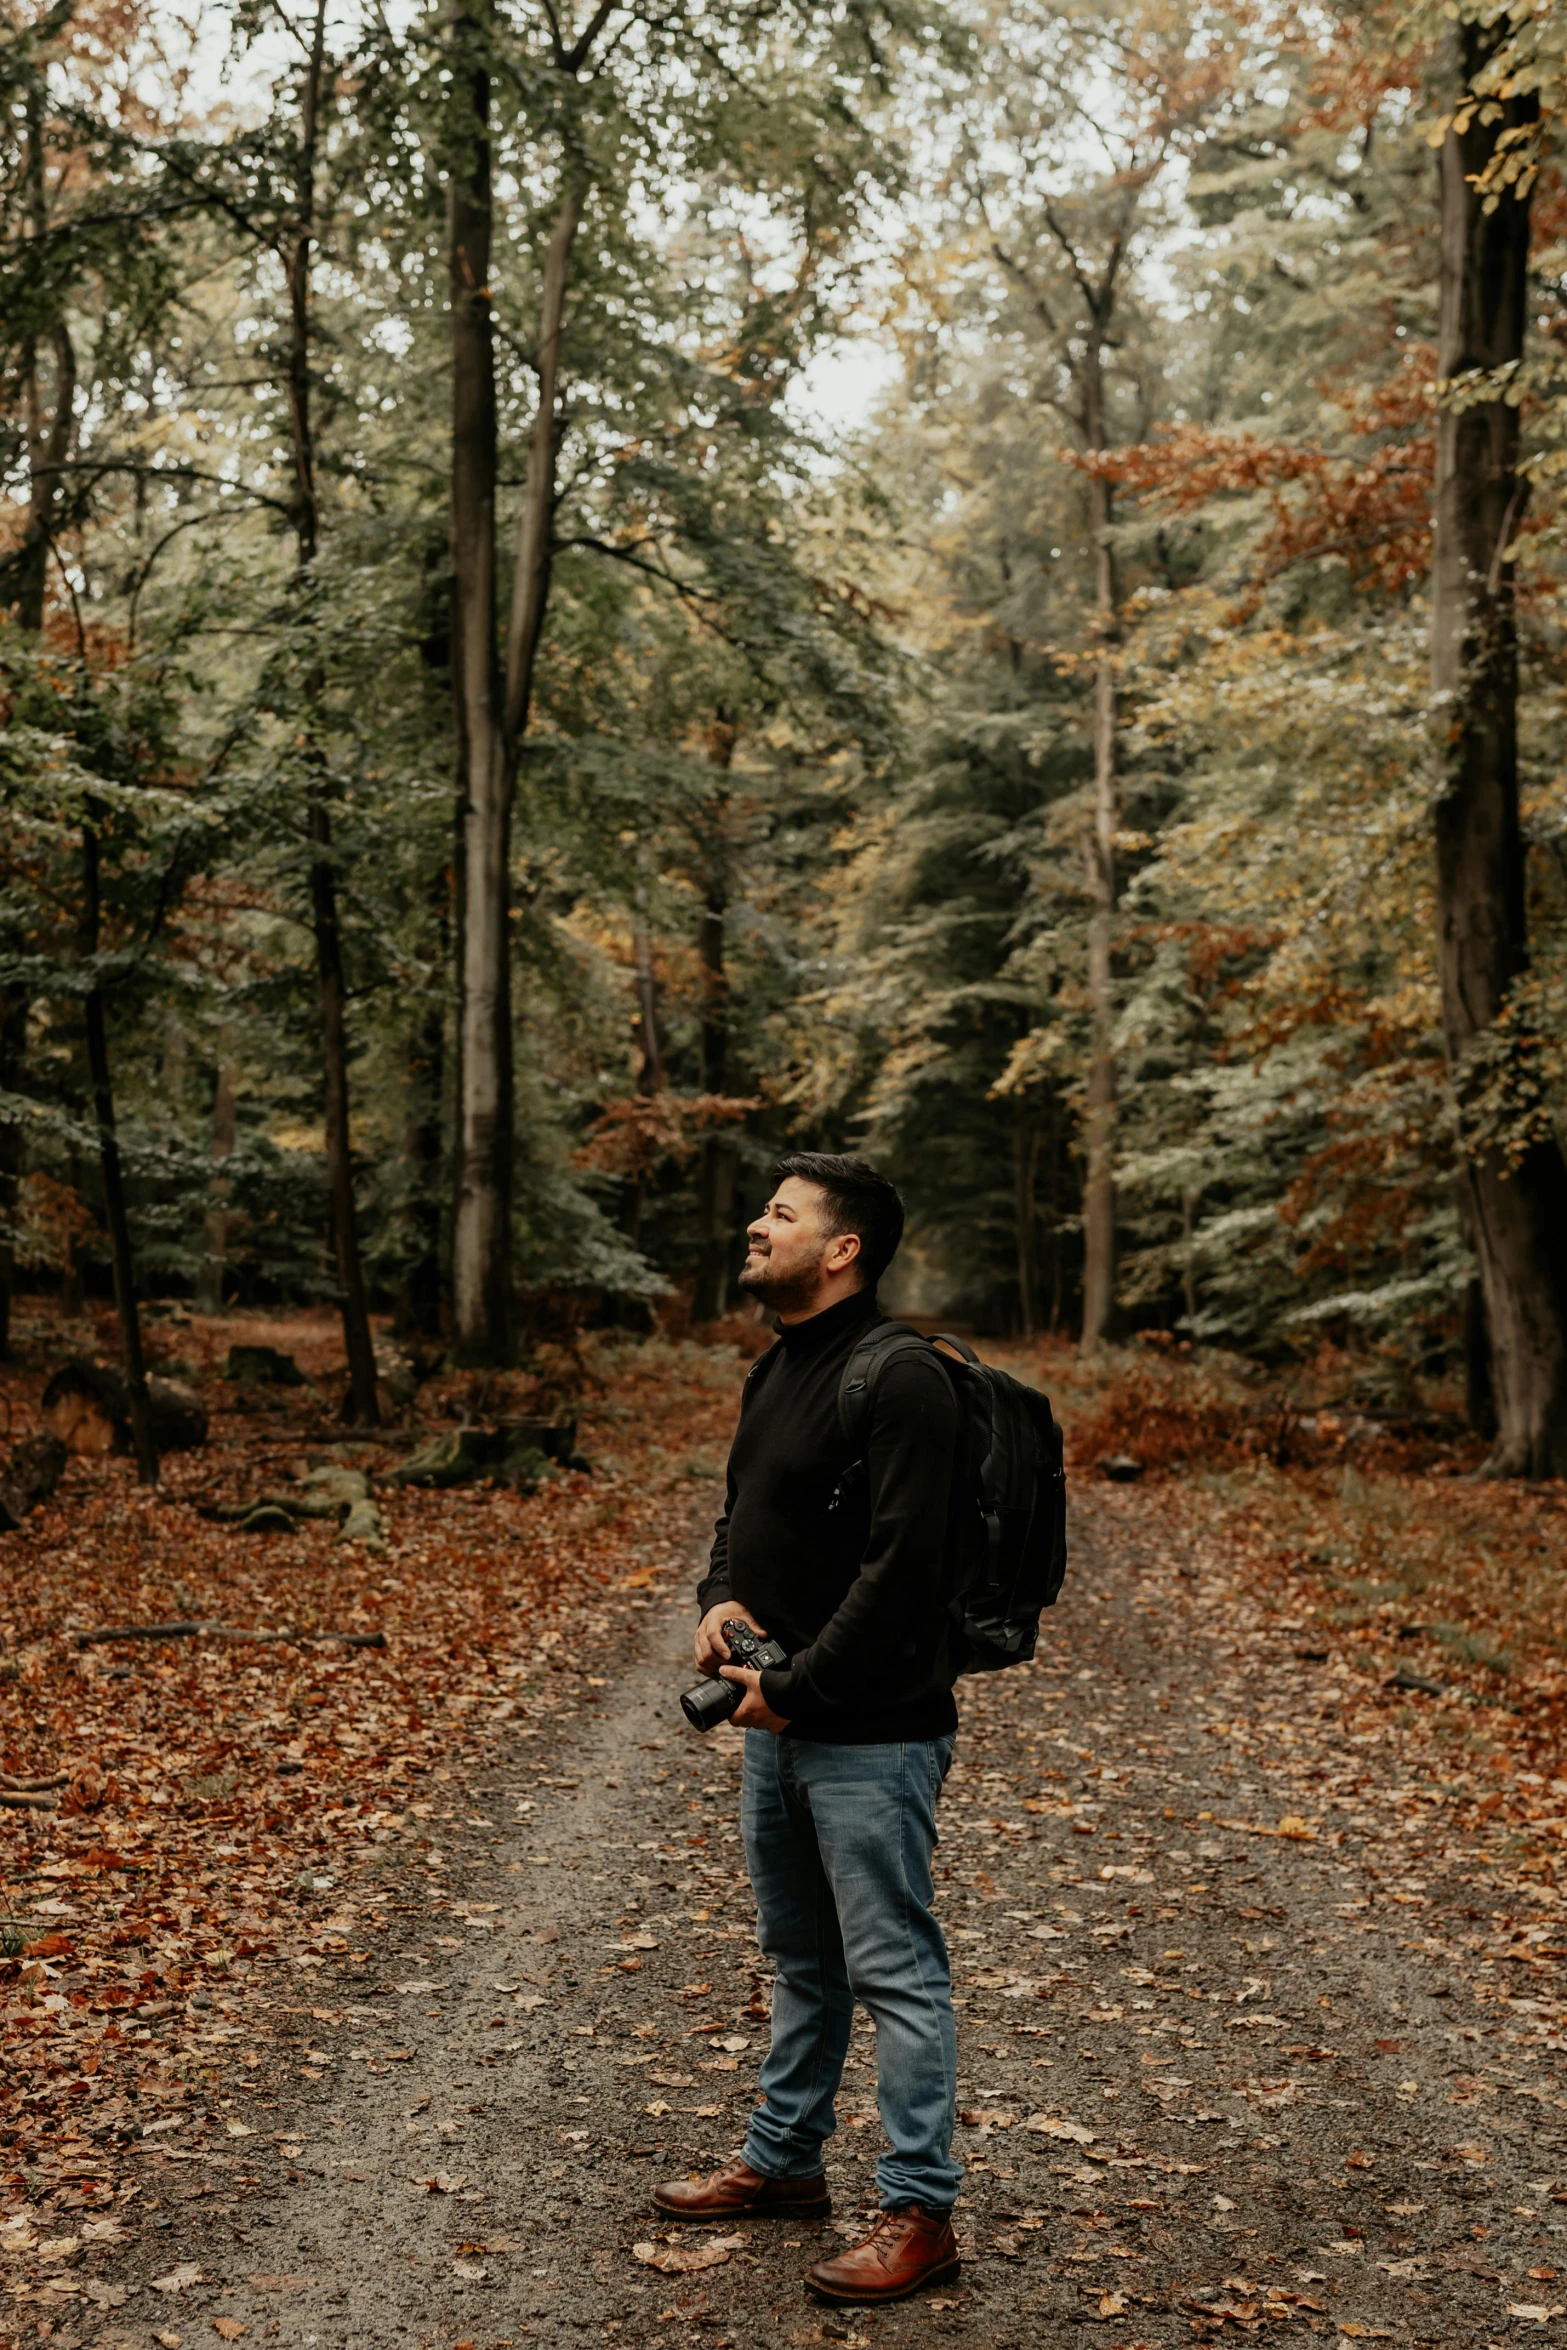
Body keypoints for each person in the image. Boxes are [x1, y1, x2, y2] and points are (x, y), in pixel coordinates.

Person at [651, 1152, 964, 2307]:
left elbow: (904, 1571)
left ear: (843, 1249)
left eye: (780, 1215)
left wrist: (800, 1687)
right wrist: (716, 1599)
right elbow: (742, 1515)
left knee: (894, 1972)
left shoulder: (903, 1379)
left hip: (873, 1733)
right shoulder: (777, 1367)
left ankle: (920, 2207)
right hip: (779, 1720)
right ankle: (784, 2165)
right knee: (801, 1960)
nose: (754, 1225)